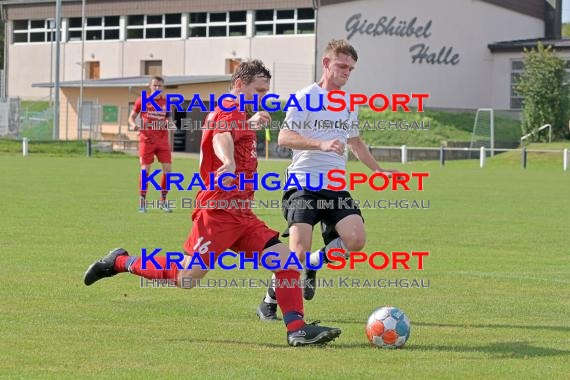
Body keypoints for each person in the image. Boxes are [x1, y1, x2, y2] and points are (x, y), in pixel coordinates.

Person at [84, 60, 342, 347]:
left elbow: (232, 129)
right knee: (187, 278)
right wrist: (228, 161)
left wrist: (250, 123)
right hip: (217, 213)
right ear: (239, 85)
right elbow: (222, 135)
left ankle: (297, 329)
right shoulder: (228, 108)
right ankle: (119, 262)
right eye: (258, 90)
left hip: (242, 216)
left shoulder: (239, 114)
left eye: (266, 92)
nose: (262, 97)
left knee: (287, 264)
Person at [257, 39, 397, 320]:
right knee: (295, 254)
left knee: (356, 240)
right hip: (303, 186)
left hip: (335, 187)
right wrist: (319, 144)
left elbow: (356, 142)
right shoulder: (304, 97)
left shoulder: (349, 103)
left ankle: (313, 264)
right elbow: (284, 138)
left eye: (351, 68)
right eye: (342, 66)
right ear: (326, 64)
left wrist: (379, 172)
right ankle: (269, 301)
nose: (347, 72)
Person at [128, 76, 173, 213]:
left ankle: (163, 201)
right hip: (146, 140)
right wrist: (134, 125)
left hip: (162, 140)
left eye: (160, 85)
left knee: (168, 170)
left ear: (163, 87)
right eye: (155, 85)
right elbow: (131, 117)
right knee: (145, 170)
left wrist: (171, 126)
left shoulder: (166, 102)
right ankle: (142, 202)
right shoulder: (142, 100)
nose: (157, 88)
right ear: (150, 86)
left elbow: (169, 119)